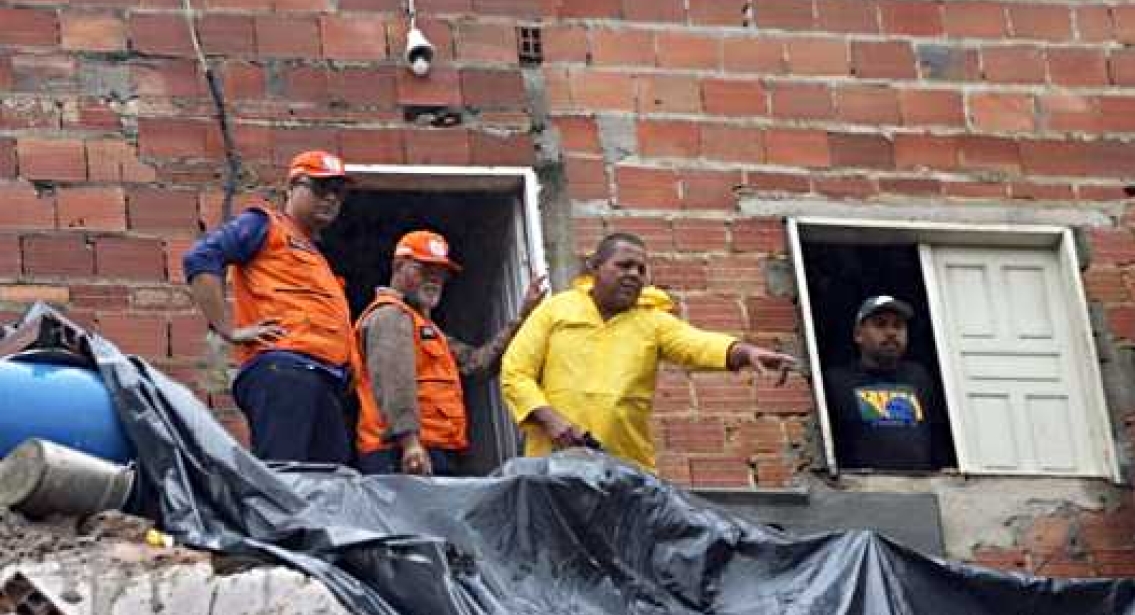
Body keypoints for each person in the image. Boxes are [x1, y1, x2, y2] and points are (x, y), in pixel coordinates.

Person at [500, 232, 797, 471]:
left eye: (641, 270)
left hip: (623, 470)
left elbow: (696, 344)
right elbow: (515, 372)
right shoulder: (556, 309)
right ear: (594, 268)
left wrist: (743, 352)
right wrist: (551, 420)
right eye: (624, 265)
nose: (634, 274)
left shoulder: (652, 322)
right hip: (552, 465)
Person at [182, 150, 356, 465]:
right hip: (285, 371)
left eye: (338, 192)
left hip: (321, 379)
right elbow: (201, 257)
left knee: (330, 485)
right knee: (286, 478)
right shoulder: (264, 225)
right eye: (319, 188)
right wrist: (228, 329)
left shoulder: (313, 254)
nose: (330, 198)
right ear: (291, 188)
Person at [355, 230, 549, 475]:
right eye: (424, 269)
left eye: (441, 273)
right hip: (403, 453)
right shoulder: (390, 316)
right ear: (398, 266)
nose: (434, 279)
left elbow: (477, 364)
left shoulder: (424, 328)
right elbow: (395, 385)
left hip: (431, 450)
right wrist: (411, 444)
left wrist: (522, 317)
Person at [823, 295, 952, 472]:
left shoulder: (919, 377)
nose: (891, 332)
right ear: (858, 335)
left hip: (922, 487)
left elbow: (938, 433)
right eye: (880, 324)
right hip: (862, 490)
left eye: (898, 325)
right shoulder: (836, 381)